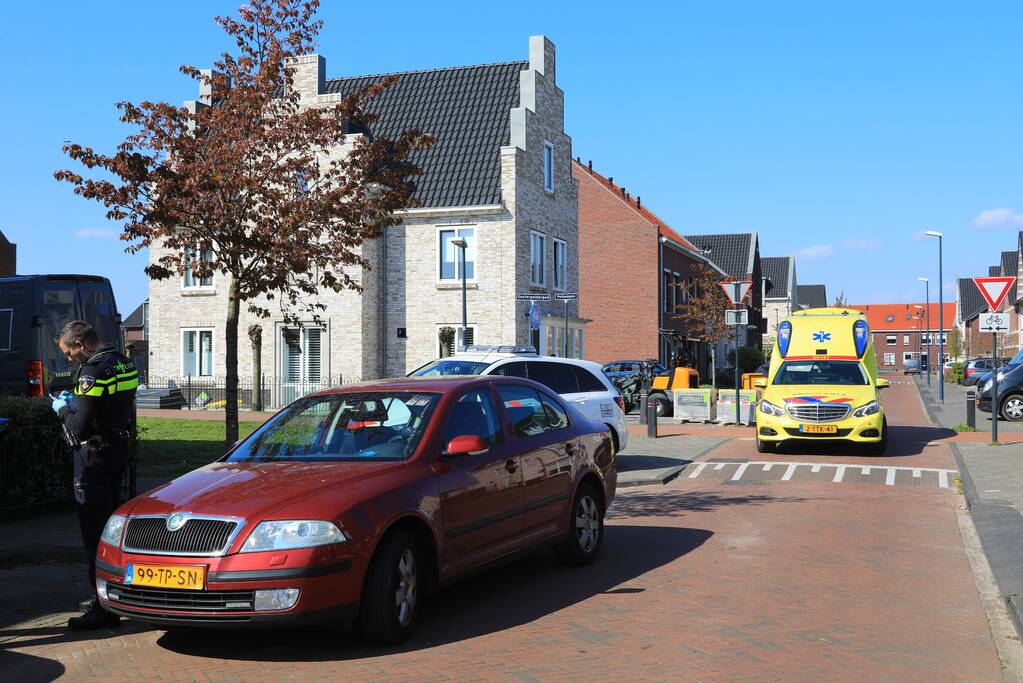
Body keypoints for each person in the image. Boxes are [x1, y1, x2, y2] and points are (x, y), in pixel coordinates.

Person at [52, 320, 138, 630]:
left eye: (68, 353)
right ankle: (113, 595)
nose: (68, 359)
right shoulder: (124, 363)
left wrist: (63, 408)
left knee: (94, 534)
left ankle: (102, 608)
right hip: (116, 452)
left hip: (92, 459)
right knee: (114, 533)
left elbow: (78, 427)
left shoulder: (92, 372)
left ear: (81, 345)